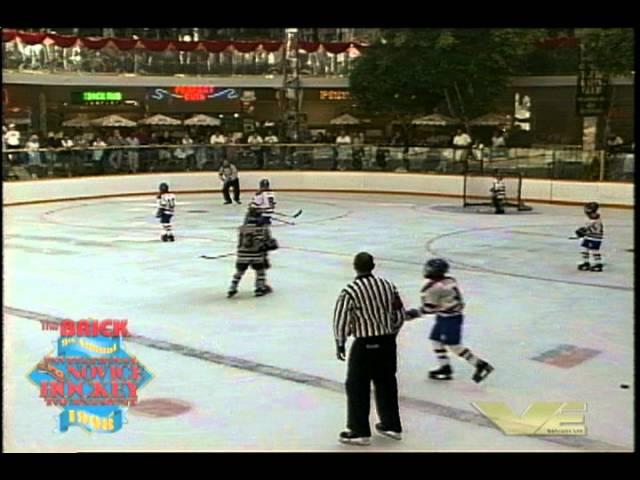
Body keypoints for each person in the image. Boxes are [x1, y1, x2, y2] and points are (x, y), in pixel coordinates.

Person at [333, 252, 409, 446]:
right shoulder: (388, 286)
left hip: (365, 344)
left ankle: (359, 431)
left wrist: (340, 342)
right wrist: (391, 333)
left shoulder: (350, 290)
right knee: (386, 384)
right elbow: (399, 313)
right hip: (386, 343)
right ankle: (391, 425)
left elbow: (341, 319)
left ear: (355, 267)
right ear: (373, 266)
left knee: (357, 386)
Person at [406, 258, 494, 383]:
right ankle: (445, 367)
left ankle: (480, 365)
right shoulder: (450, 280)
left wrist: (412, 314)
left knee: (454, 346)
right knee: (436, 340)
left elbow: (429, 308)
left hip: (449, 319)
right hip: (447, 316)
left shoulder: (434, 288)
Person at [227, 206, 278, 298]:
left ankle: (232, 288)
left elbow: (240, 242)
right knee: (260, 271)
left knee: (239, 272)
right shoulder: (262, 229)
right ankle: (260, 288)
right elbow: (264, 243)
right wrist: (270, 245)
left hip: (242, 254)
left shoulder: (242, 228)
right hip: (256, 254)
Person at [574, 202, 604, 272]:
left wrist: (584, 231)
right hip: (588, 237)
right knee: (584, 248)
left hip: (595, 238)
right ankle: (585, 262)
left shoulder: (596, 220)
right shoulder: (589, 218)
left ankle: (598, 264)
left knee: (594, 250)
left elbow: (592, 228)